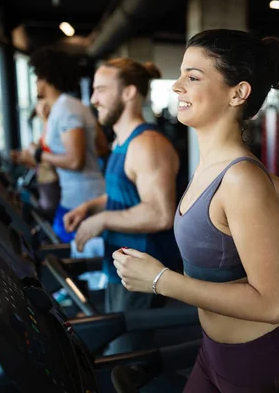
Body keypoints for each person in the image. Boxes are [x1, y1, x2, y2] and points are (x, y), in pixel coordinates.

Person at [112, 29, 279, 392]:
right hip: (213, 352)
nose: (176, 86)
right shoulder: (223, 168)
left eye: (192, 77)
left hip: (259, 366)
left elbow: (270, 305)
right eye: (180, 75)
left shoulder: (241, 179)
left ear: (238, 93)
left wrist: (159, 280)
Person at [62, 59, 180, 352]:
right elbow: (126, 193)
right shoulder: (121, 141)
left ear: (128, 93)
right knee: (116, 348)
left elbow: (160, 213)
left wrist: (102, 220)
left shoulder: (147, 144)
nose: (93, 99)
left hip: (144, 266)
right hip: (121, 262)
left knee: (124, 359)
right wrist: (91, 207)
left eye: (101, 90)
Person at [12, 47, 106, 243]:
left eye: (37, 78)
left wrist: (38, 154)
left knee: (65, 243)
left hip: (82, 197)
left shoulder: (66, 109)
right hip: (80, 193)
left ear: (45, 77)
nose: (36, 83)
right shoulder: (70, 106)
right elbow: (102, 147)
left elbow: (75, 161)